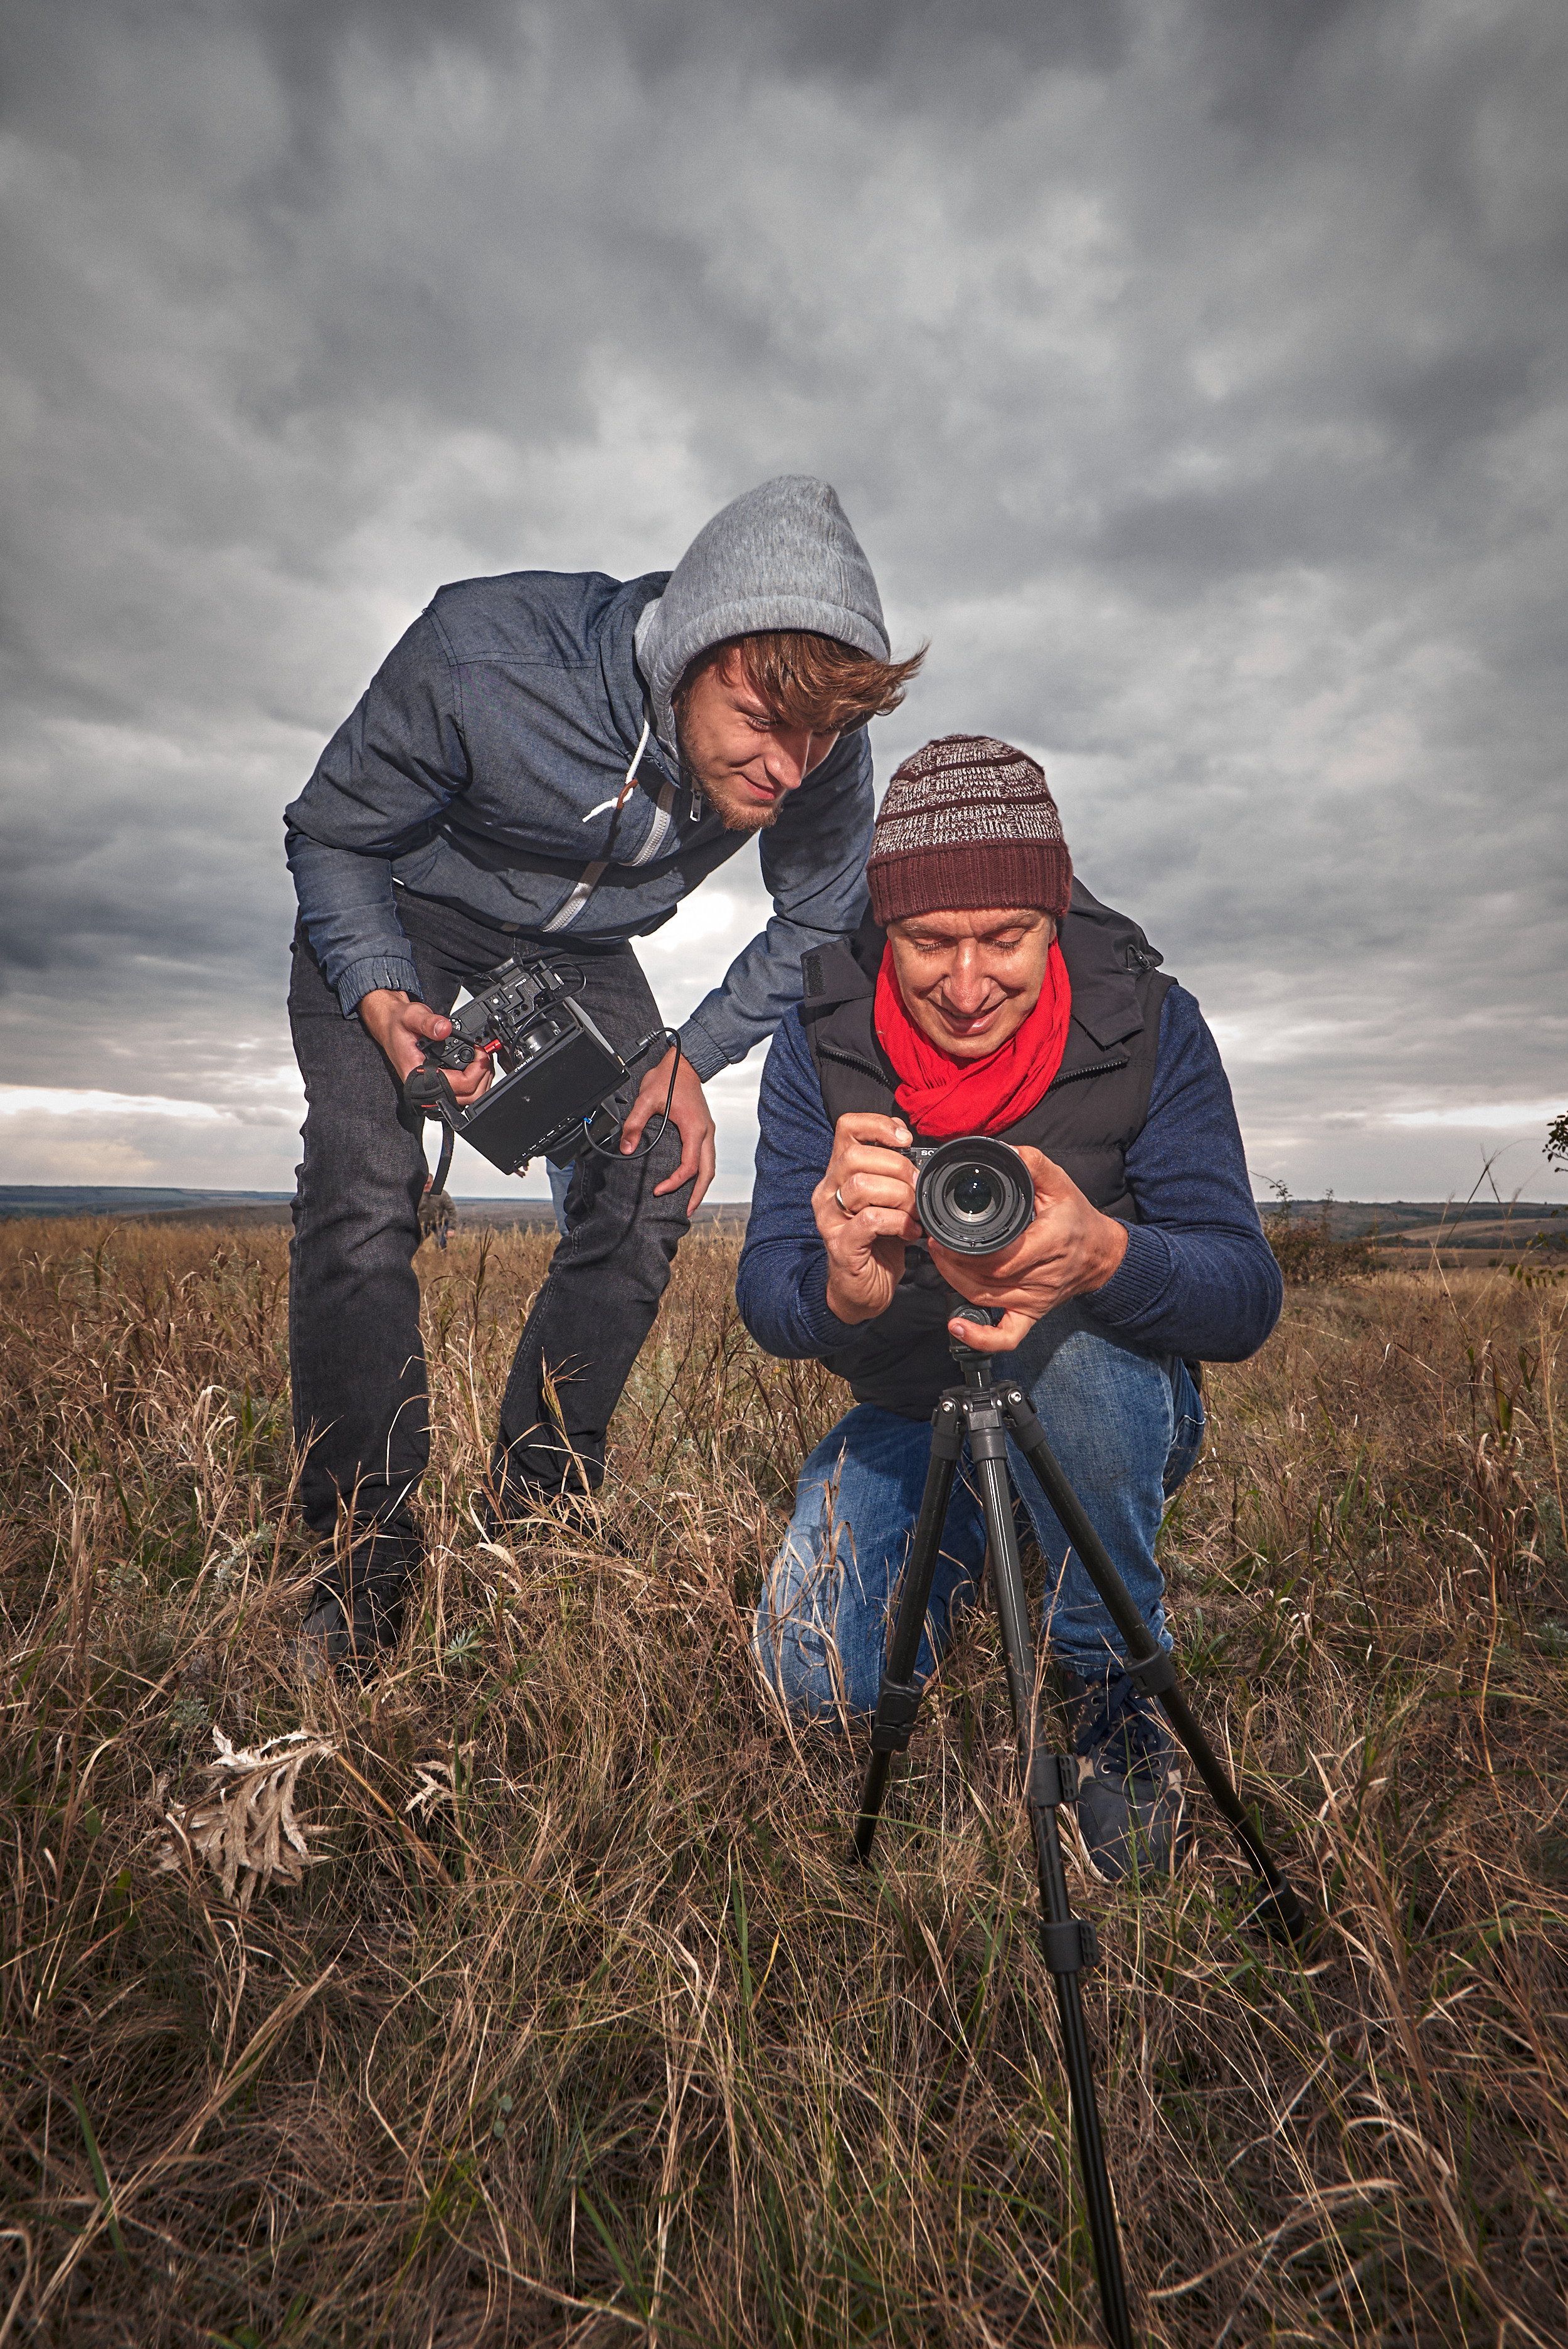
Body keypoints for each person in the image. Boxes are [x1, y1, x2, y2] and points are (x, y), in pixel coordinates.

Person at [285, 475, 922, 1667]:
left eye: (820, 735)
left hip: (574, 950)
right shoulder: (481, 655)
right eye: (760, 717)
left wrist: (692, 1054)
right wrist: (374, 984)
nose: (790, 766)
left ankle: (537, 1511)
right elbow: (330, 831)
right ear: (687, 653)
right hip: (400, 902)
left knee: (657, 1164)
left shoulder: (814, 733)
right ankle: (360, 1557)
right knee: (367, 1190)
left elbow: (827, 910)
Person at [737, 734, 1283, 1880]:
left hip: (1107, 1387)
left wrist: (1100, 1254)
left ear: (1056, 913)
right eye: (932, 942)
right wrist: (844, 1283)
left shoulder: (1148, 1024)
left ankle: (1103, 1668)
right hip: (908, 1403)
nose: (971, 982)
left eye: (1008, 938)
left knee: (1076, 1358)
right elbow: (767, 1295)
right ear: (887, 927)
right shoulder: (820, 1041)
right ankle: (998, 1520)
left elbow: (1244, 1297)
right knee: (814, 1681)